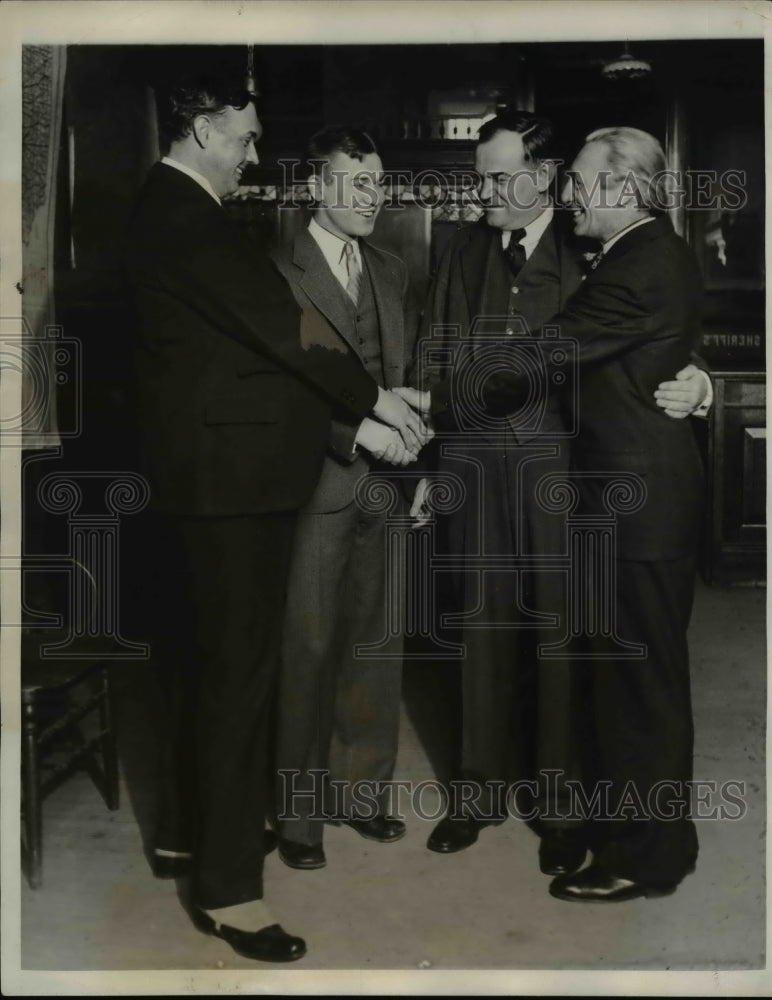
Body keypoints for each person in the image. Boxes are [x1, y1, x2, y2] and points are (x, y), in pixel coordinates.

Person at [125, 77, 426, 963]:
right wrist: (373, 405)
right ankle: (229, 894)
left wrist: (374, 416)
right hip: (228, 489)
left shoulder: (172, 212)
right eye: (244, 138)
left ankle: (191, 837)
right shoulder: (188, 215)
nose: (254, 156)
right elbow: (282, 332)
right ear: (202, 128)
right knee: (239, 682)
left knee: (211, 671)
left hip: (214, 480)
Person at [399, 125, 704, 901]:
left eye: (576, 181)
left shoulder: (632, 260)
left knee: (634, 683)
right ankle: (622, 836)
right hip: (586, 492)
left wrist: (432, 404)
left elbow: (551, 352)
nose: (570, 195)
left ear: (622, 187)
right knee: (621, 680)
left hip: (610, 496)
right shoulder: (638, 252)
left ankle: (637, 852)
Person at [271, 127, 417, 869]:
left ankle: (360, 795)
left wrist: (418, 471)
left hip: (386, 490)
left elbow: (406, 377)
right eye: (356, 184)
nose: (373, 197)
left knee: (373, 642)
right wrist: (353, 431)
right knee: (306, 648)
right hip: (316, 486)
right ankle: (296, 821)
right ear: (314, 189)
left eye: (377, 182)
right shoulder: (274, 269)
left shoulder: (390, 270)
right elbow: (276, 391)